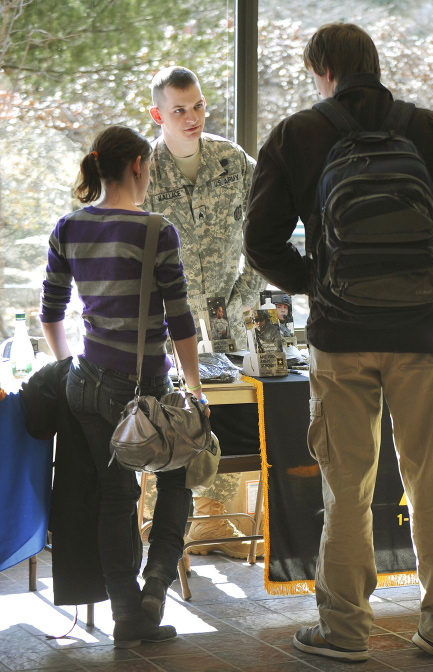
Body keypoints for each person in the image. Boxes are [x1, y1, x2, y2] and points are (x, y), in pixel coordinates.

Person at [243, 23, 433, 661]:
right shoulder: (424, 127)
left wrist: (316, 280)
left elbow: (260, 241)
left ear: (323, 70)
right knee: (432, 479)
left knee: (346, 487)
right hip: (421, 331)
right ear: (372, 66)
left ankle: (345, 630)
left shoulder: (297, 134)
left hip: (341, 336)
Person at [39, 125, 205, 647]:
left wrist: (71, 364)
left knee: (114, 498)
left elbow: (50, 312)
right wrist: (195, 387)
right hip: (143, 389)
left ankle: (127, 616)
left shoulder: (68, 227)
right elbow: (180, 322)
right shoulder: (156, 230)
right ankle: (156, 586)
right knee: (178, 483)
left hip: (86, 384)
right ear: (138, 164)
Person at [142, 66, 264, 558]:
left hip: (226, 311)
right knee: (172, 419)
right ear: (158, 114)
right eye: (179, 110)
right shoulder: (143, 171)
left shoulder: (231, 161)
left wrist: (246, 293)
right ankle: (170, 523)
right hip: (167, 321)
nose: (191, 118)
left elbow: (268, 228)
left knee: (230, 416)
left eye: (197, 107)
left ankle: (219, 525)